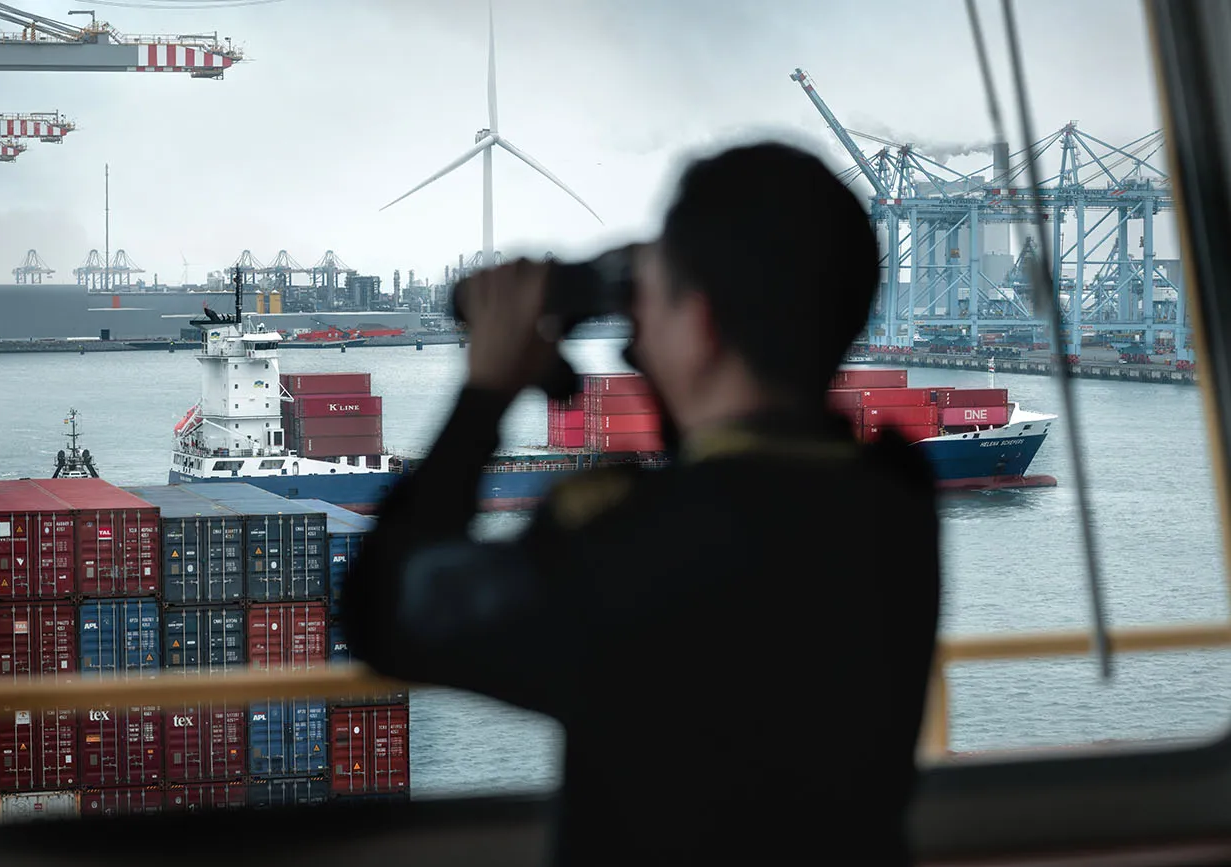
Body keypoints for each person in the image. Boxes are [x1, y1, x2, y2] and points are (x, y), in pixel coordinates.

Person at [341, 141, 941, 865]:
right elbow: (739, 481)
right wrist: (668, 291)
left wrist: (487, 391)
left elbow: (384, 612)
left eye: (651, 303)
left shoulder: (621, 542)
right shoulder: (897, 506)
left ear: (704, 325)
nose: (635, 338)